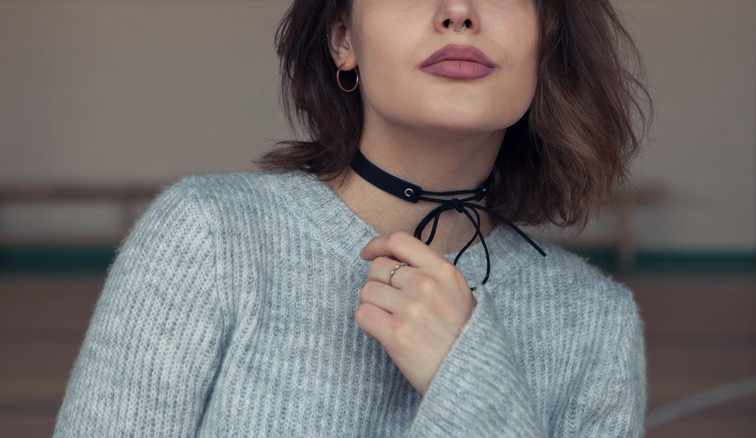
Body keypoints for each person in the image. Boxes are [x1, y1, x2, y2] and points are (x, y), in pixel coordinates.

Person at [55, 0, 651, 436]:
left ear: (546, 40)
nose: (459, 12)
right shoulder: (206, 237)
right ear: (344, 39)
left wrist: (469, 377)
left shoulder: (597, 324)